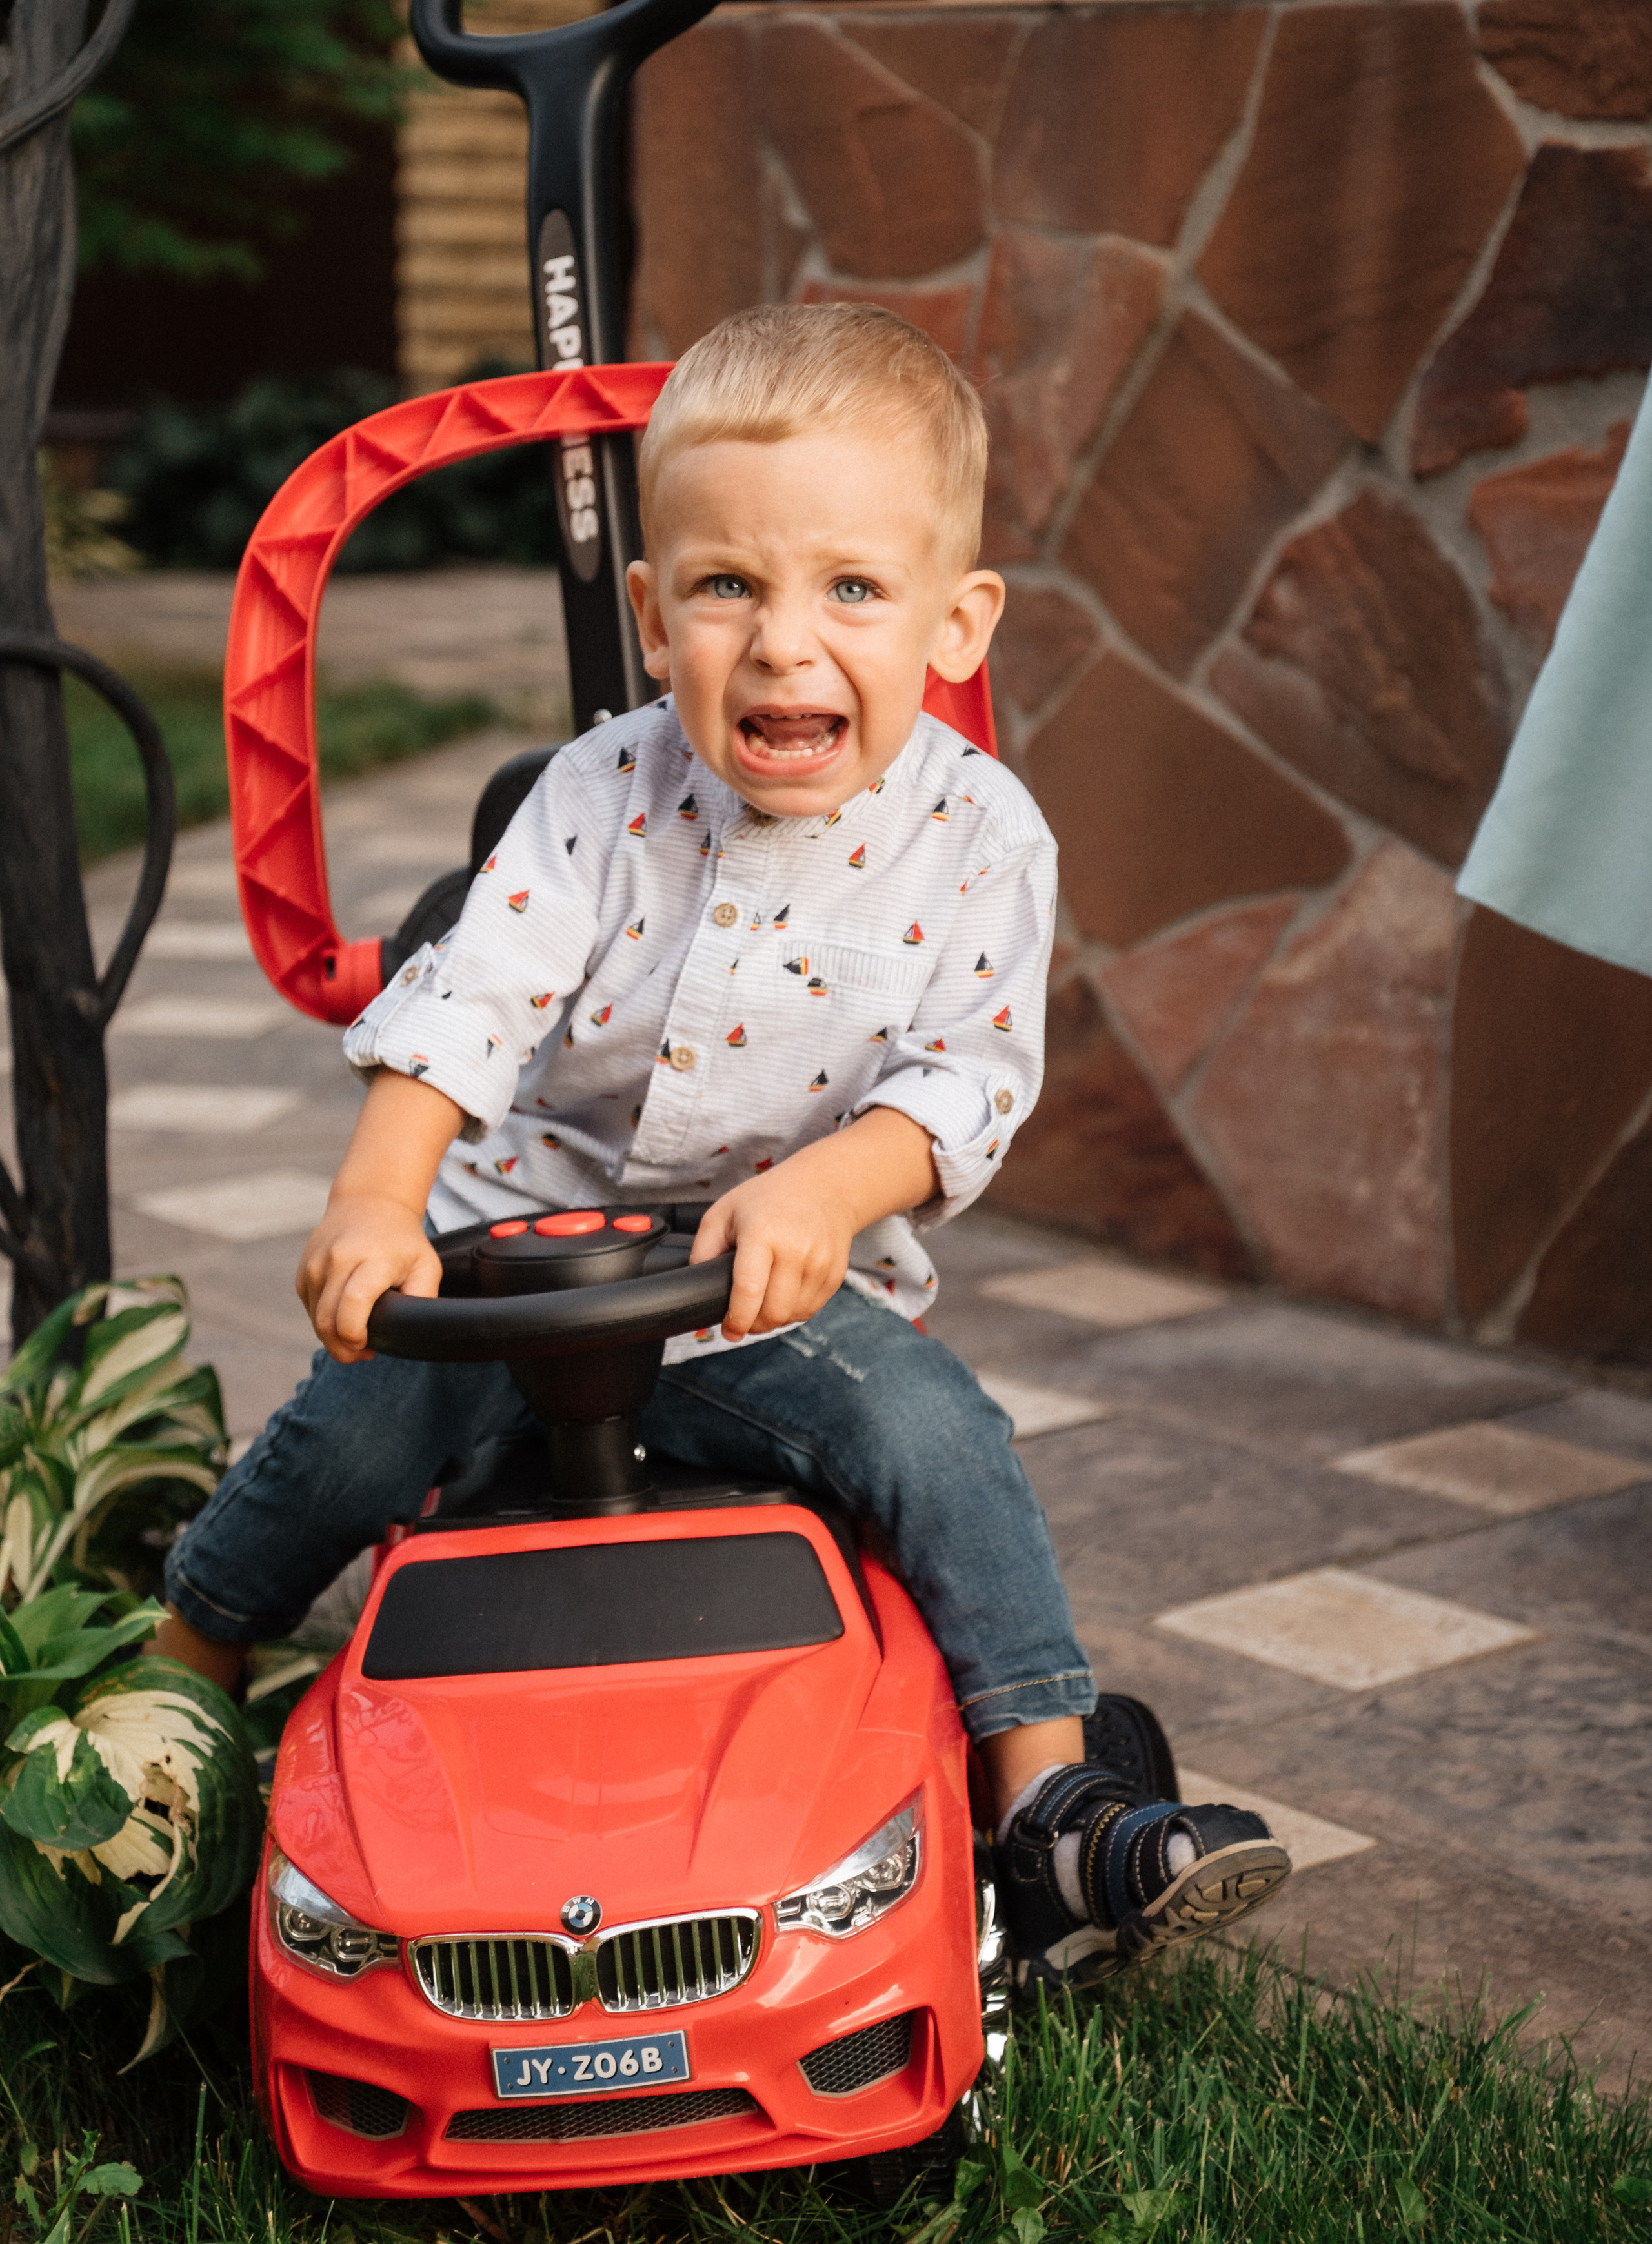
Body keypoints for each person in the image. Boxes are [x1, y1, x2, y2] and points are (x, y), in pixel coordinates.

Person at [155, 301, 1291, 1990]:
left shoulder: (982, 840)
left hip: (773, 1291)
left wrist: (831, 1186)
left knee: (936, 1434)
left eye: (851, 588)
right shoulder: (596, 799)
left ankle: (1053, 1805)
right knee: (336, 1442)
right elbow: (472, 998)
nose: (782, 646)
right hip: (515, 1268)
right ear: (650, 614)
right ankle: (175, 1707)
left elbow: (968, 1078)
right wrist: (384, 1200)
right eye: (727, 587)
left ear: (954, 621)